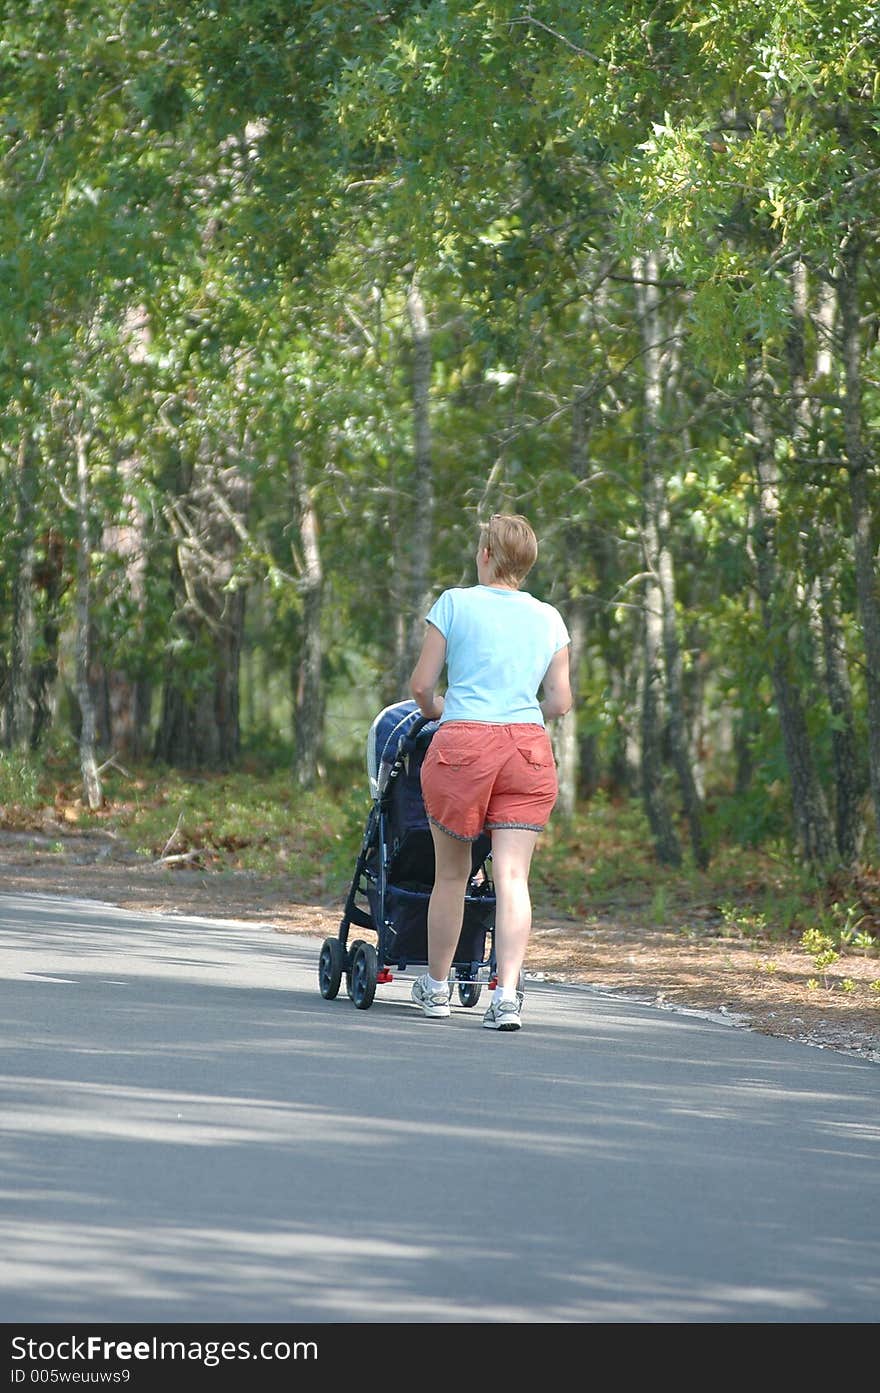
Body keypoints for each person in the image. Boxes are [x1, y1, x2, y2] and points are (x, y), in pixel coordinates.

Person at [408, 513, 572, 1031]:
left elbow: (420, 685)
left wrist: (438, 711)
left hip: (462, 745)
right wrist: (520, 719)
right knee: (513, 878)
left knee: (452, 875)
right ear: (527, 564)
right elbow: (561, 701)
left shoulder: (454, 603)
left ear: (485, 555)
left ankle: (436, 990)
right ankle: (506, 999)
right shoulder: (549, 617)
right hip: (526, 749)